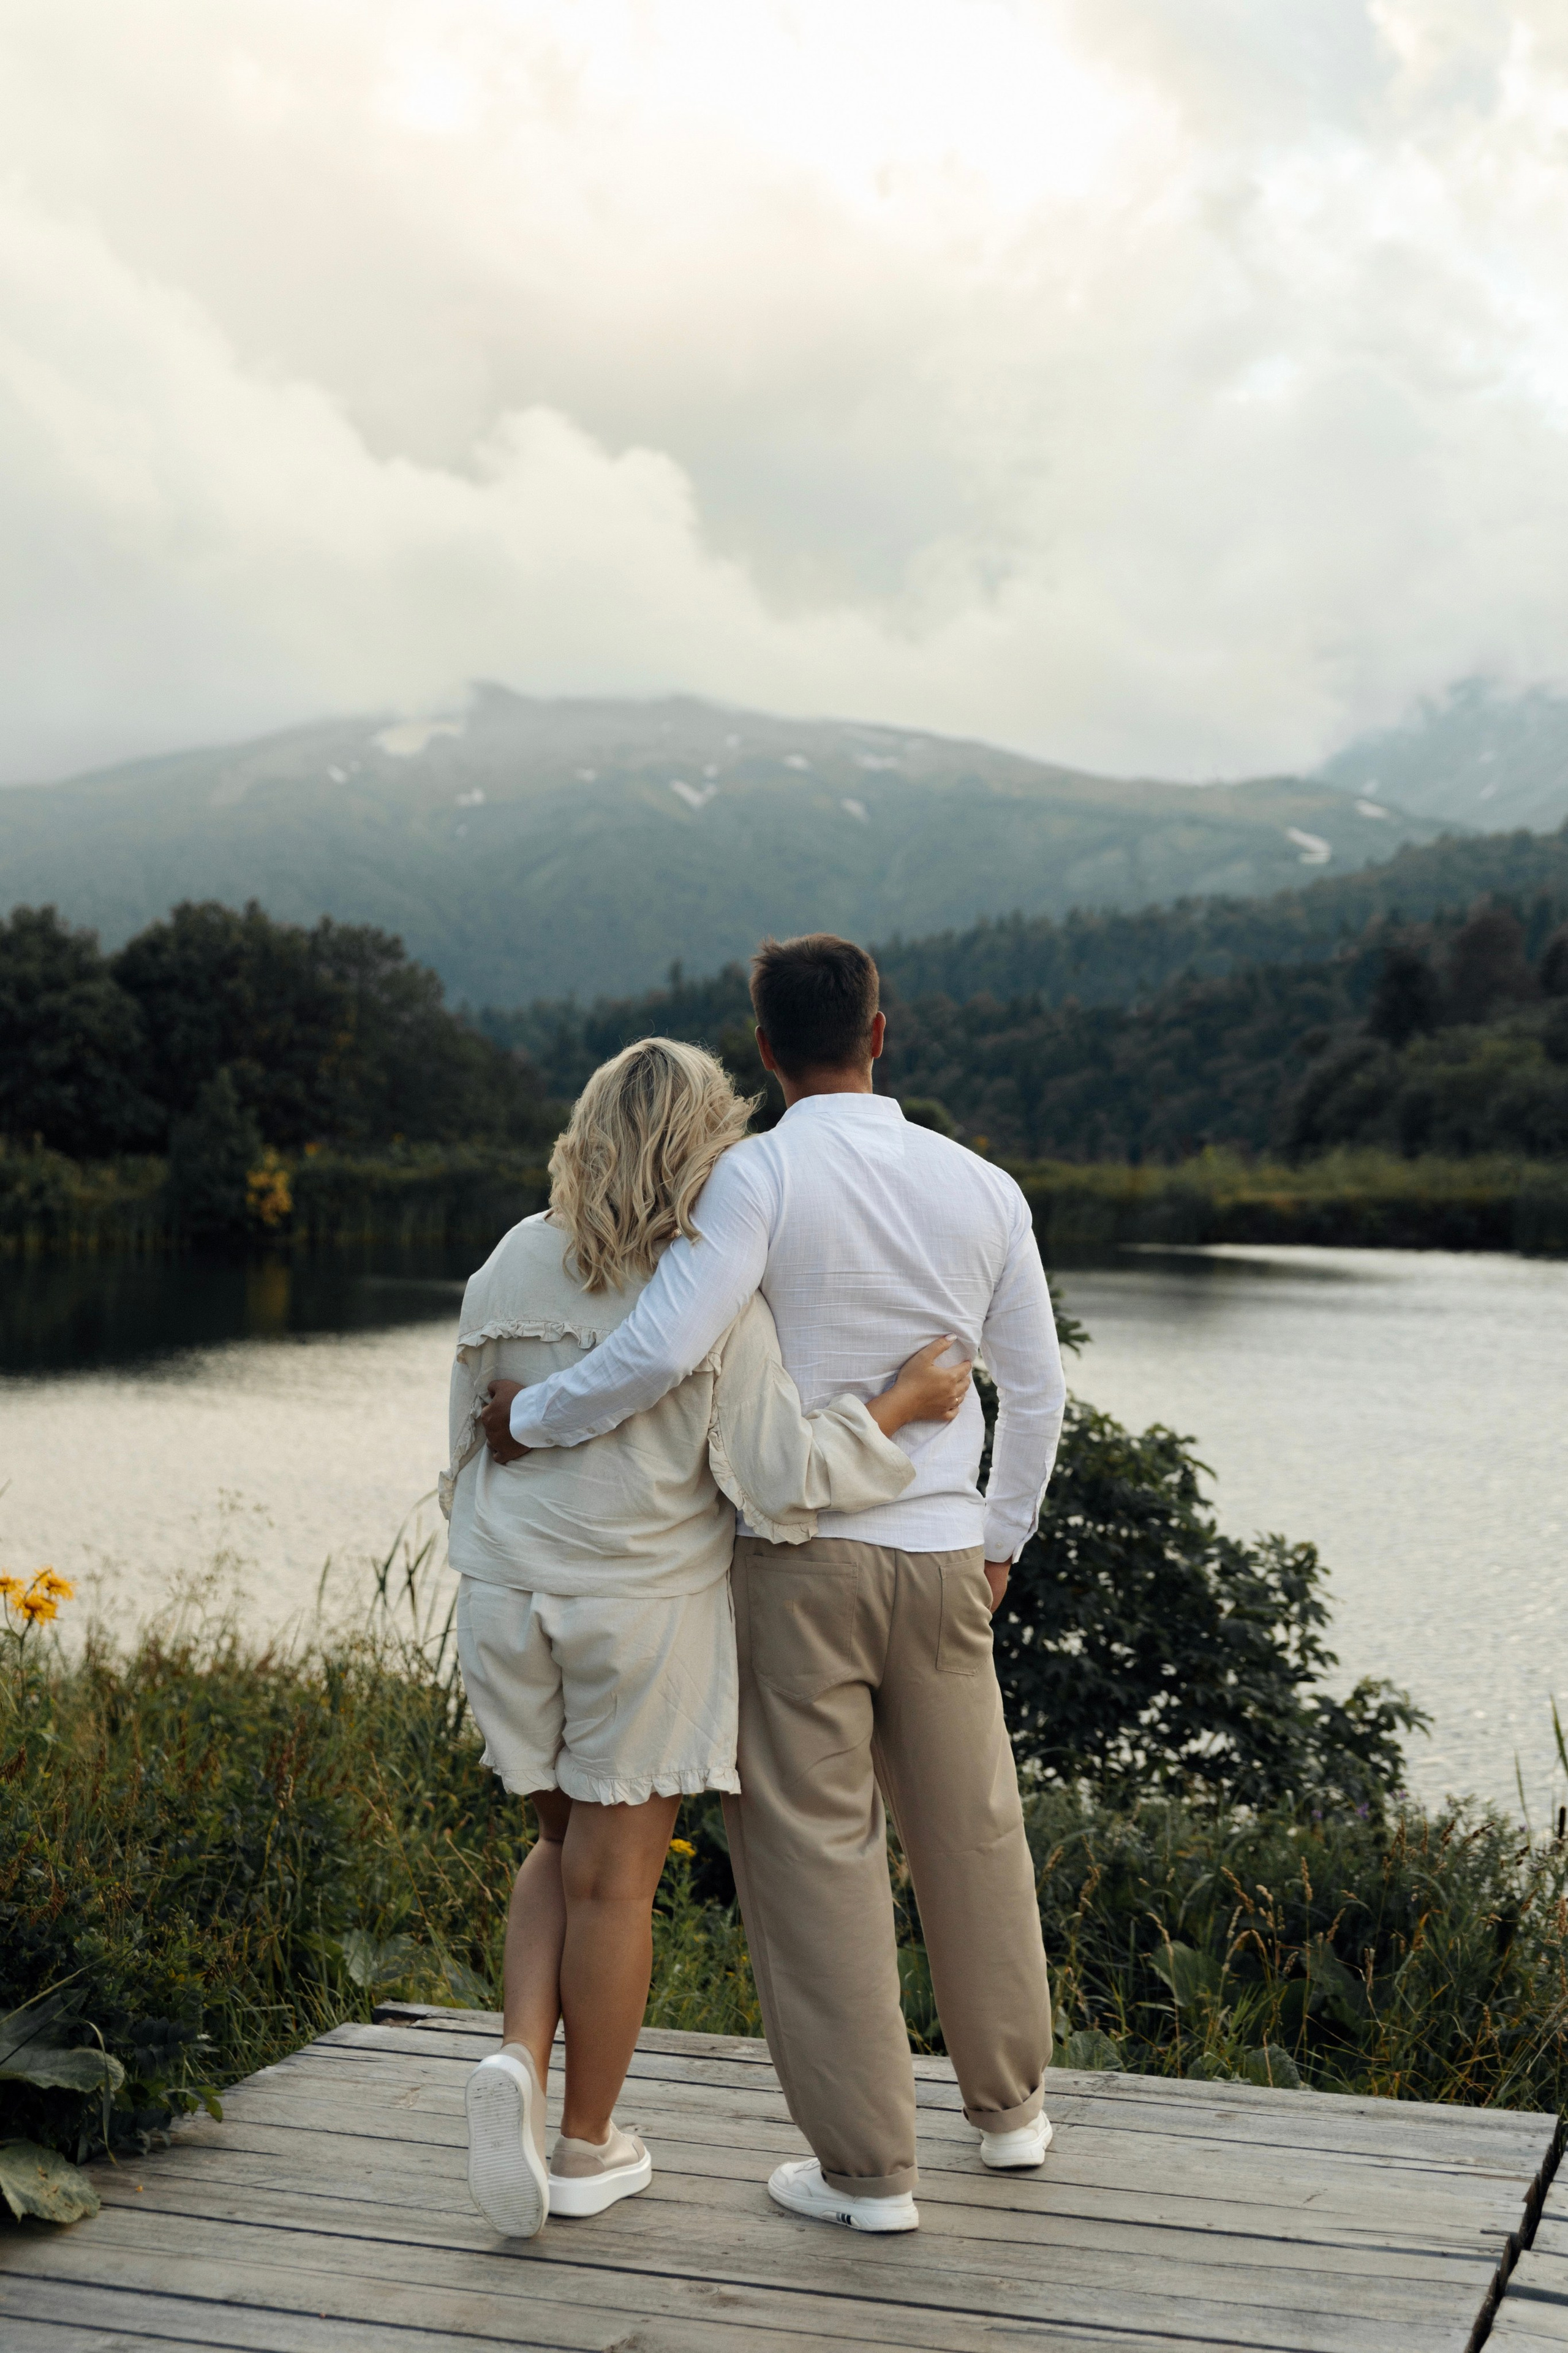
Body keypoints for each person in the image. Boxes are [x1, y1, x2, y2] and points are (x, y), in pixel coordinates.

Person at [483, 934, 1066, 2235]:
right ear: (880, 1031)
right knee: (972, 1833)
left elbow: (660, 1347)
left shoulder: (754, 1175)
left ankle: (868, 2177)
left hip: (796, 1557)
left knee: (816, 1859)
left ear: (762, 1048)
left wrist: (534, 1420)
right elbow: (1035, 1386)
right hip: (937, 1554)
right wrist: (997, 1541)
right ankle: (1011, 2114)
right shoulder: (981, 1184)